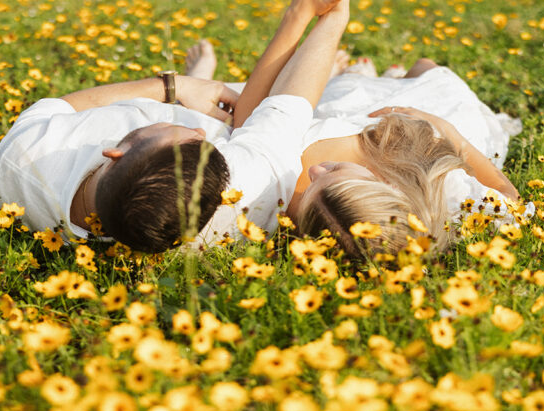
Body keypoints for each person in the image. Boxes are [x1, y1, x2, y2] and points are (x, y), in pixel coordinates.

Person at [0, 0, 353, 253]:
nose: (197, 130)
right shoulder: (237, 205)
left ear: (114, 151)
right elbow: (282, 110)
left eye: (178, 132)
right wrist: (320, 14)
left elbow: (59, 107)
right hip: (240, 111)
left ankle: (199, 76)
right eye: (202, 139)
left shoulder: (23, 160)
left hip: (192, 101)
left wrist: (172, 87)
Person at [186, 41, 526, 261]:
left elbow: (255, 123)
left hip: (341, 117)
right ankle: (371, 78)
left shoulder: (277, 199)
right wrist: (455, 138)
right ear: (386, 187)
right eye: (333, 173)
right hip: (429, 127)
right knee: (426, 67)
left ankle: (349, 77)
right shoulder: (446, 196)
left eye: (309, 198)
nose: (315, 172)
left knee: (323, 100)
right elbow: (511, 200)